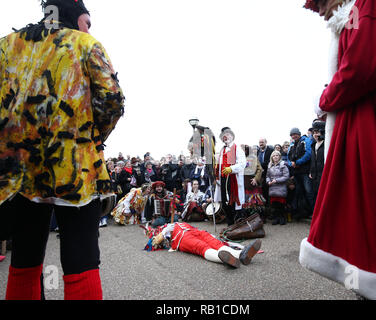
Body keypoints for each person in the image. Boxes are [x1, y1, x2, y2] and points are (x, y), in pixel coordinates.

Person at [0, 0, 125, 300]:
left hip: (20, 174)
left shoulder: (6, 47)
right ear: (73, 16)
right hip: (75, 168)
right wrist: (93, 139)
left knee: (24, 259)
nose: (89, 28)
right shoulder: (84, 44)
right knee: (81, 258)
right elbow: (111, 100)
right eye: (87, 21)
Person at [300, 0, 376, 299]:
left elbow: (364, 65)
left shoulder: (366, 6)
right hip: (370, 136)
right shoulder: (354, 14)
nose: (317, 10)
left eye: (319, 3)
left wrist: (325, 98)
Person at [150, 222, 262, 269]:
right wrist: (158, 237)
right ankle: (224, 259)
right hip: (182, 238)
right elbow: (156, 241)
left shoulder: (178, 223)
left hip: (195, 232)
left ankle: (241, 255)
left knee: (215, 243)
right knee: (202, 247)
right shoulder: (164, 230)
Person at [213, 127, 246, 226]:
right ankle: (230, 224)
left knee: (234, 202)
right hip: (223, 179)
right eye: (223, 136)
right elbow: (218, 164)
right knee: (225, 202)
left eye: (227, 135)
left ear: (232, 136)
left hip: (233, 179)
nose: (225, 137)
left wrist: (231, 169)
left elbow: (242, 163)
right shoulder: (222, 150)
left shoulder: (237, 148)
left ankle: (237, 225)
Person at [287, 127, 313, 219]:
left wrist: (297, 162)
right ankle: (303, 212)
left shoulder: (306, 140)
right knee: (299, 192)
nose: (294, 136)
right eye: (292, 135)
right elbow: (288, 157)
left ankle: (314, 211)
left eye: (295, 134)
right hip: (296, 172)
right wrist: (292, 164)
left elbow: (308, 154)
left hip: (305, 171)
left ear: (299, 134)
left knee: (309, 191)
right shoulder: (292, 144)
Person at [242, 145, 265, 221]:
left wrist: (256, 179)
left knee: (255, 202)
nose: (243, 151)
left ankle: (258, 219)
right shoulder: (239, 159)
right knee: (245, 202)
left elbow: (260, 169)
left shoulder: (253, 158)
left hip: (252, 182)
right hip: (243, 183)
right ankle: (248, 219)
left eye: (245, 150)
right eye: (242, 150)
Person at [266, 151, 290, 225]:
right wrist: (268, 181)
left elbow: (286, 176)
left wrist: (276, 180)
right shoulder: (270, 166)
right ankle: (276, 218)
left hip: (280, 187)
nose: (275, 157)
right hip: (272, 188)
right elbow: (267, 176)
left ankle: (282, 218)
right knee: (274, 204)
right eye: (274, 155)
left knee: (281, 204)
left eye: (277, 155)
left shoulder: (283, 165)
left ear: (279, 156)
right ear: (271, 157)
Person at [309, 119, 325, 206]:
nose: (315, 134)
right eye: (314, 132)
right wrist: (311, 172)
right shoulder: (313, 145)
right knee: (316, 194)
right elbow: (312, 161)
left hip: (323, 173)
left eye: (317, 132)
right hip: (315, 175)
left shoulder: (326, 144)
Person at [257, 138, 274, 209]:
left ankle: (269, 207)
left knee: (267, 191)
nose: (261, 144)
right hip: (259, 174)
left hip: (268, 173)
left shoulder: (270, 150)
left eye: (262, 142)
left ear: (266, 142)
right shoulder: (257, 151)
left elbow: (270, 161)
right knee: (260, 191)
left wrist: (261, 166)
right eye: (260, 142)